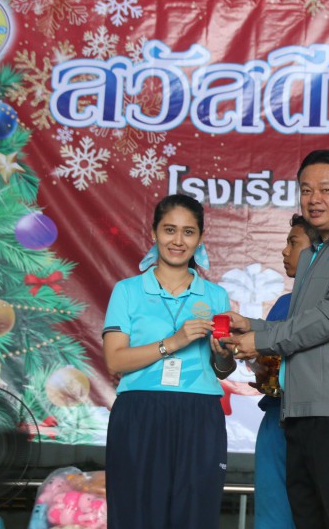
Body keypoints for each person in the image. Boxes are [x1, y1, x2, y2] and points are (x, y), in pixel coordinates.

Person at [221, 148, 329, 529]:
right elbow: (300, 322)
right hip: (300, 414)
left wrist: (261, 339)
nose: (314, 199)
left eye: (326, 189)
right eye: (305, 190)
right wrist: (250, 326)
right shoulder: (313, 254)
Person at [102, 194, 233, 529]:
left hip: (200, 413)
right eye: (169, 230)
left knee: (195, 516)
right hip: (140, 411)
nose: (178, 241)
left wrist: (223, 355)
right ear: (154, 232)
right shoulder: (127, 291)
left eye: (188, 232)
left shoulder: (216, 296)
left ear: (200, 238)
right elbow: (115, 360)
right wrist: (173, 343)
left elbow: (223, 369)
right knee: (135, 515)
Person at [252, 213, 315, 529]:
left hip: (319, 421)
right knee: (273, 515)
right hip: (277, 420)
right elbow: (266, 364)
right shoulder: (283, 303)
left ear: (318, 250)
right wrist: (260, 365)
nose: (284, 251)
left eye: (293, 243)